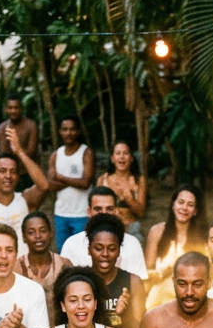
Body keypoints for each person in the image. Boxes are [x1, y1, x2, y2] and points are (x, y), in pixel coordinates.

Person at [0, 132, 49, 257]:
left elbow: (44, 186)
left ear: (18, 177)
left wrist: (20, 152)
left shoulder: (25, 199)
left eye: (13, 172)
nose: (8, 176)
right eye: (2, 171)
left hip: (22, 269)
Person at [60, 188, 149, 279]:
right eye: (98, 209)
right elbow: (66, 284)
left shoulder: (132, 244)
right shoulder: (72, 244)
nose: (104, 214)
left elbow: (140, 283)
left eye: (109, 209)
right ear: (89, 212)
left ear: (116, 211)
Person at [145, 185, 207, 307]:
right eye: (181, 202)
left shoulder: (202, 238)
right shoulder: (157, 232)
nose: (184, 208)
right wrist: (164, 272)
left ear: (195, 211)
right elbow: (147, 273)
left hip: (190, 298)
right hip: (159, 298)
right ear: (173, 205)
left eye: (190, 205)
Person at [47, 116, 95, 251]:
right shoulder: (56, 155)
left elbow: (86, 182)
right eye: (65, 129)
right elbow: (50, 185)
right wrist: (75, 180)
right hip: (61, 214)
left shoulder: (86, 153)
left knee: (83, 252)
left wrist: (59, 177)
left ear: (78, 131)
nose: (68, 133)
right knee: (63, 253)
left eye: (72, 129)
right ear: (60, 132)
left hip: (82, 214)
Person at [15, 211, 68, 325]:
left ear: (51, 233)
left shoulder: (64, 265)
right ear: (24, 237)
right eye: (31, 232)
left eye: (43, 231)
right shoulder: (17, 267)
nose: (38, 236)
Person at [96, 141, 147, 240]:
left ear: (131, 158)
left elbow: (140, 212)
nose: (122, 157)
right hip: (108, 230)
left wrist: (128, 197)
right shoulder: (103, 180)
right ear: (112, 158)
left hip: (132, 230)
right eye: (118, 153)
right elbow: (97, 211)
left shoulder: (139, 180)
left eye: (126, 153)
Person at [0, 93, 40, 193]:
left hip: (27, 174)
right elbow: (4, 155)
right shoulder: (2, 128)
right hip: (10, 175)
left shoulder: (31, 126)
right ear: (6, 109)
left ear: (21, 109)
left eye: (16, 108)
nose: (13, 111)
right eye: (10, 108)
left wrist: (17, 148)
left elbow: (32, 153)